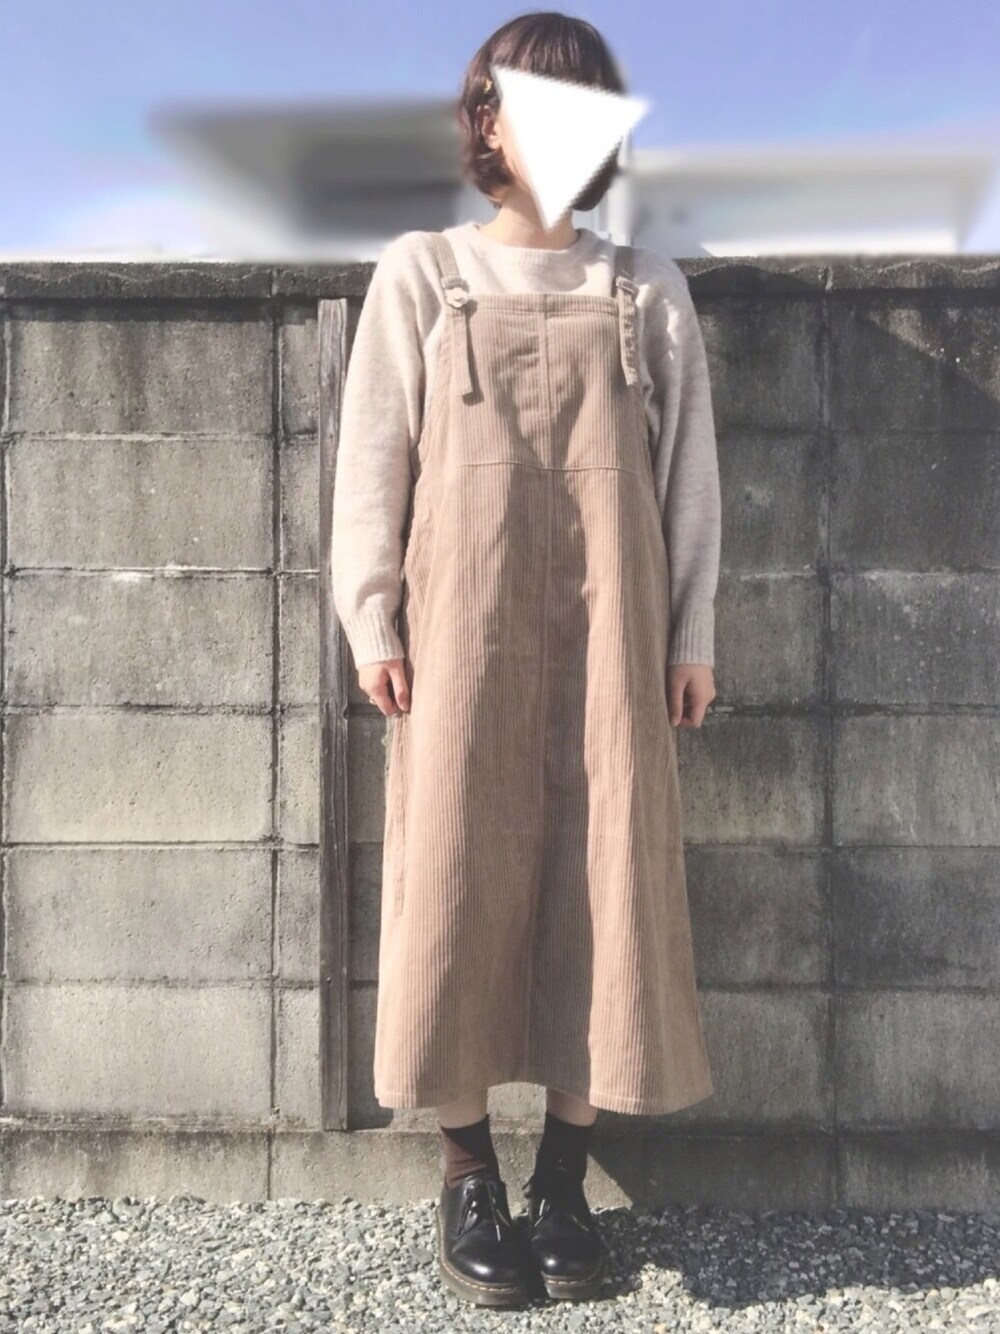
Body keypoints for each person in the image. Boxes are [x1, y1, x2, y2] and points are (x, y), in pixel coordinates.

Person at [330, 11, 721, 1309]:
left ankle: (562, 1176)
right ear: (484, 120)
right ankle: (465, 1172)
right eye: (519, 100)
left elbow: (688, 479)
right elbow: (373, 461)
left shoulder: (645, 287)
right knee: (453, 873)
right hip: (462, 631)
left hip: (616, 632)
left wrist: (692, 634)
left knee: (605, 877)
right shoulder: (424, 273)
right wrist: (372, 619)